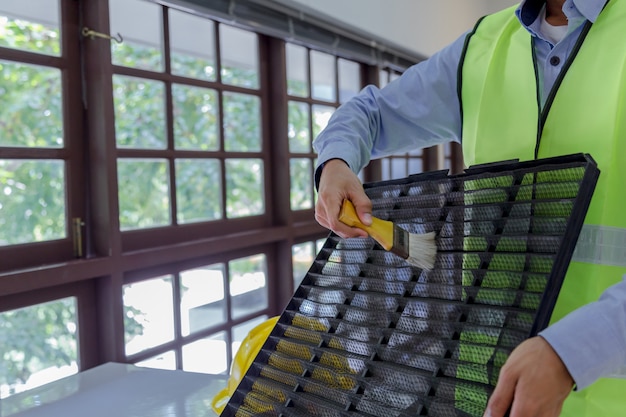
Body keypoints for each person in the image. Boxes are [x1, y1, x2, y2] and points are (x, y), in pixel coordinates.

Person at [312, 0, 626, 416]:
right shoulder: (482, 46)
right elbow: (369, 112)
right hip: (489, 385)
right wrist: (335, 162)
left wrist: (573, 351)